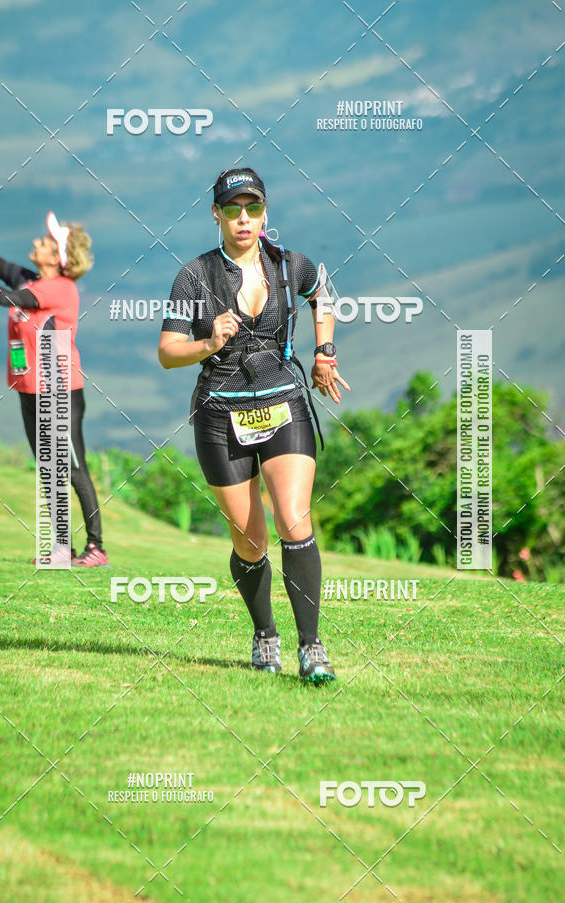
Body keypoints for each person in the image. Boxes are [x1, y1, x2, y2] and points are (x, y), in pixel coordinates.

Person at [158, 168, 349, 682]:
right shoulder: (195, 276)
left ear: (265, 215)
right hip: (221, 414)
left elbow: (322, 291)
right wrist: (208, 342)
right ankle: (266, 633)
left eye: (253, 209)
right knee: (251, 541)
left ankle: (313, 648)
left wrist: (324, 351)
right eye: (233, 209)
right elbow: (167, 353)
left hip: (284, 402)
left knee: (294, 519)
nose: (244, 219)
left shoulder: (289, 265)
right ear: (216, 214)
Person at [0, 212, 109, 567]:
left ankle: (97, 548)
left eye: (44, 243)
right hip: (30, 389)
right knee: (48, 467)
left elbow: (4, 298)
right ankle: (61, 548)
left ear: (58, 257)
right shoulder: (30, 278)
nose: (35, 243)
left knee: (73, 469)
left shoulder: (59, 288)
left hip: (60, 391)